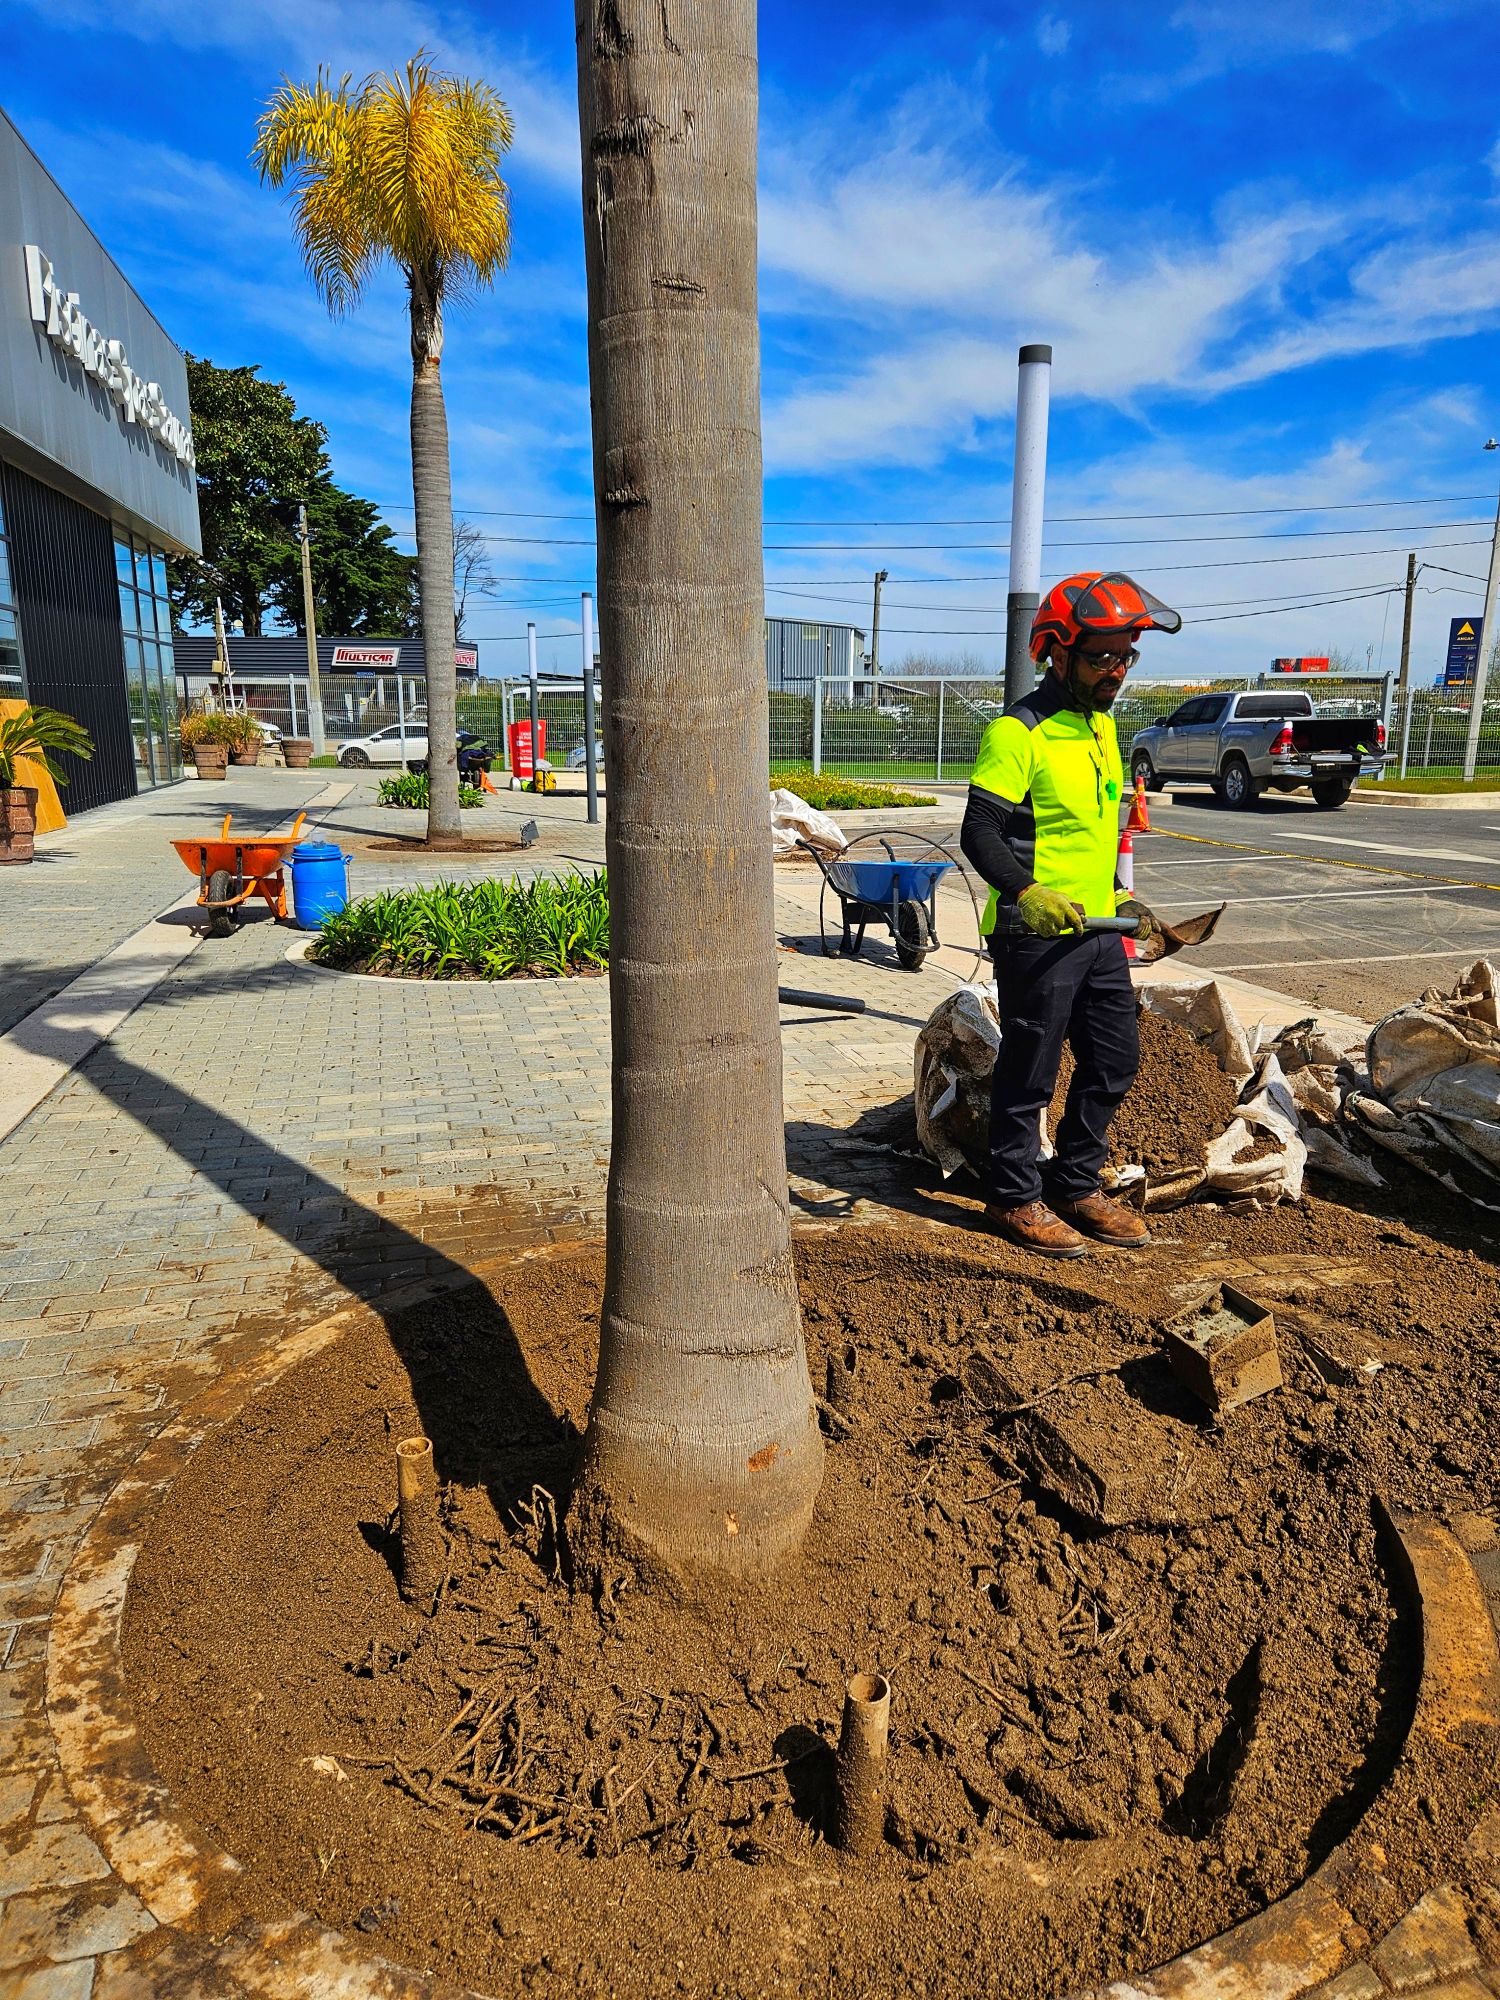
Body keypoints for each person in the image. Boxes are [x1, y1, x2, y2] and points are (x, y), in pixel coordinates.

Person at [959, 571, 1179, 1258]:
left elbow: (1089, 833)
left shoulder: (1103, 727)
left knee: (1115, 1058)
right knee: (1031, 1068)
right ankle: (1014, 1196)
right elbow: (979, 833)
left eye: (1125, 657)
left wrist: (1120, 895)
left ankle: (1076, 1183)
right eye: (1101, 657)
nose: (1116, 670)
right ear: (1058, 651)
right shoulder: (1017, 732)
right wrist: (1027, 893)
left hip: (1097, 932)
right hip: (1035, 935)